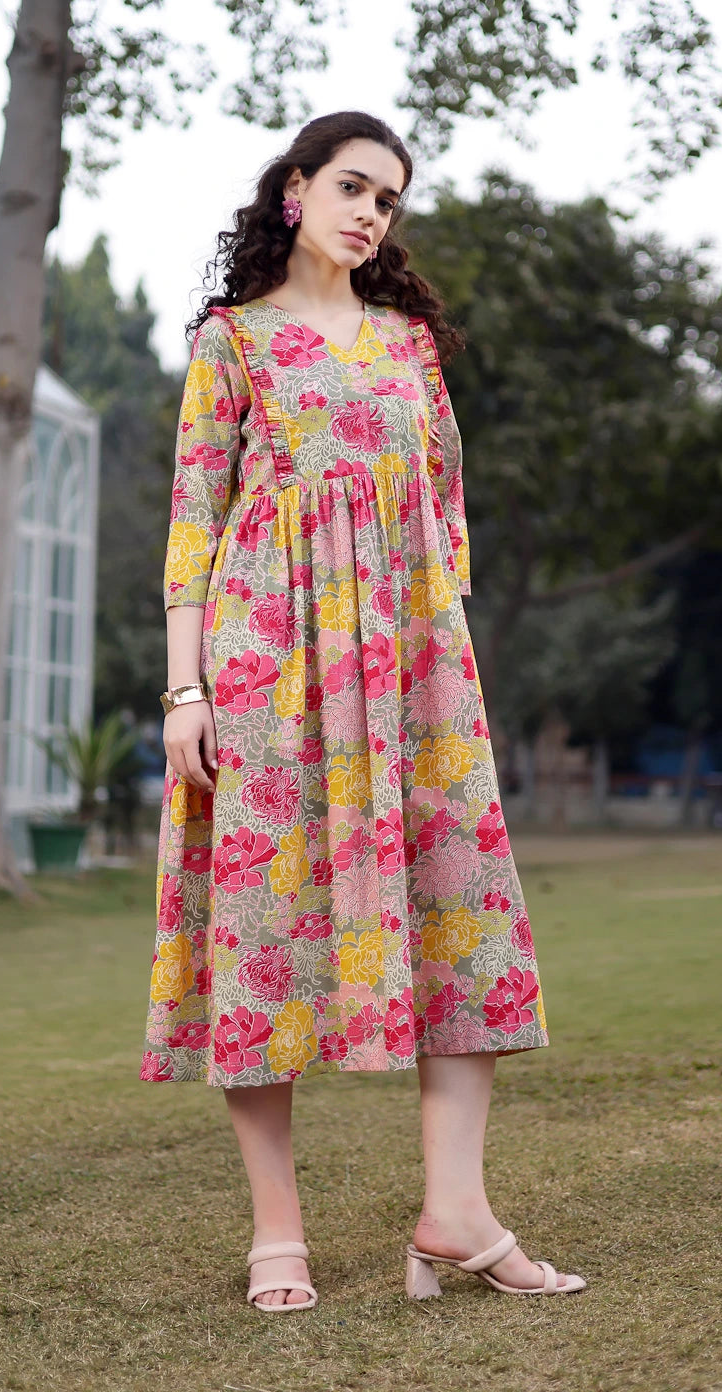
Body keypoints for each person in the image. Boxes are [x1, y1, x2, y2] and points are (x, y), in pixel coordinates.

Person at [138, 110, 586, 1311]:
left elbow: (443, 512)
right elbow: (193, 525)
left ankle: (456, 1214)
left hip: (412, 666)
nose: (370, 214)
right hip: (264, 664)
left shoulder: (410, 343)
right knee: (262, 931)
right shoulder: (233, 341)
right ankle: (276, 1233)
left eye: (387, 199)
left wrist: (432, 651)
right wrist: (185, 691)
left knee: (464, 914)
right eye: (351, 186)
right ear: (295, 190)